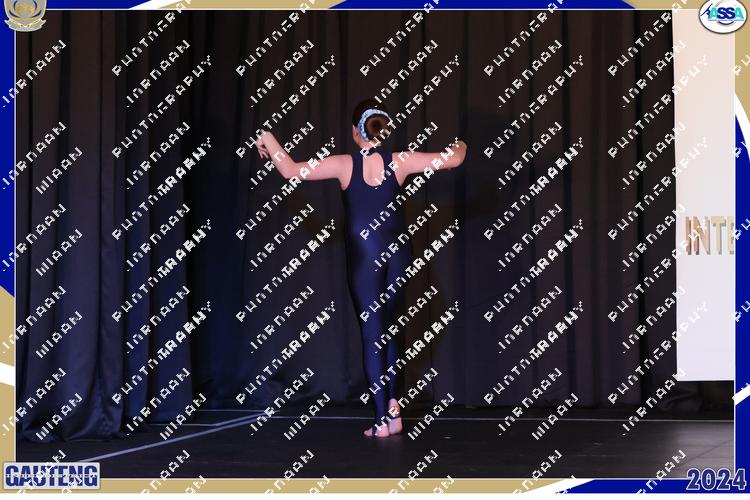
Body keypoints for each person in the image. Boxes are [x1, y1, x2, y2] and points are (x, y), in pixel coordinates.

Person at [255, 98, 467, 437]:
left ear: (356, 132)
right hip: (399, 254)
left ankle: (381, 420)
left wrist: (266, 136)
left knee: (373, 336)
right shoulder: (401, 161)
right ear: (383, 129)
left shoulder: (343, 164)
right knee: (392, 329)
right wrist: (461, 143)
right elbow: (454, 159)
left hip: (365, 257)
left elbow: (290, 170)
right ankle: (394, 410)